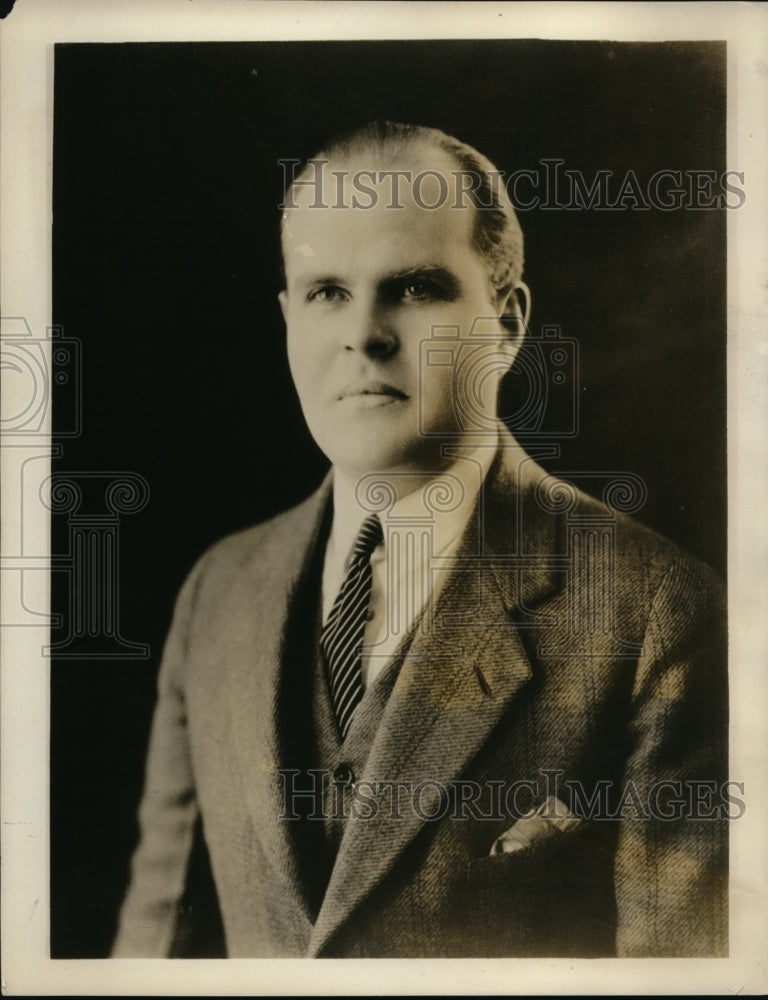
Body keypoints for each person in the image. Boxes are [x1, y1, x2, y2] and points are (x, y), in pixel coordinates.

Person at [112, 122, 728, 959]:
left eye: (414, 287)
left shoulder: (660, 611)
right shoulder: (218, 590)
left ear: (506, 325)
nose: (363, 334)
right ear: (290, 318)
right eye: (328, 291)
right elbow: (151, 953)